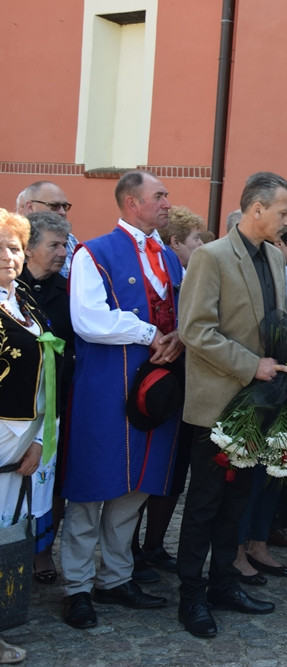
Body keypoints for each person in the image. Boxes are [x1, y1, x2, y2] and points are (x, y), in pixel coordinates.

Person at [61, 171, 185, 630]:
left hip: (158, 389)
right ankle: (76, 587)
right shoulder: (93, 253)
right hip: (105, 388)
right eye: (159, 196)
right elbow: (89, 320)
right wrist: (150, 333)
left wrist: (179, 337)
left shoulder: (169, 257)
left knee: (136, 487)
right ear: (132, 203)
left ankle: (115, 578)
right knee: (91, 488)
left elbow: (184, 312)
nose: (167, 203)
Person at [175, 172, 287, 638]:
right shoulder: (211, 256)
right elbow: (195, 330)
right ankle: (191, 596)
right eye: (284, 212)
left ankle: (224, 584)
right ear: (256, 209)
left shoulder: (274, 256)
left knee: (237, 502)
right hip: (219, 404)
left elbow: (276, 319)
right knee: (205, 503)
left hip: (260, 401)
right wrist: (252, 365)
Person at [230, 213, 287, 586]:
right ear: (278, 242)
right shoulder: (255, 267)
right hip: (257, 377)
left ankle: (259, 543)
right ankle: (236, 550)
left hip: (286, 376)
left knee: (273, 465)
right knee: (248, 470)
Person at [130, 204, 205, 584]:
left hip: (185, 385)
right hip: (155, 383)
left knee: (174, 472)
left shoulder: (191, 275)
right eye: (195, 239)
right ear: (175, 242)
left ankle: (154, 545)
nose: (201, 245)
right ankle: (130, 549)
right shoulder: (158, 275)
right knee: (144, 473)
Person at [0, 209, 61, 665]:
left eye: (15, 247)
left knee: (6, 536)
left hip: (26, 437)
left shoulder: (24, 300)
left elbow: (48, 380)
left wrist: (42, 440)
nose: (9, 256)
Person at [20, 211, 72, 584]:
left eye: (64, 245)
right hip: (16, 405)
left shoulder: (67, 291)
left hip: (58, 403)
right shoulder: (11, 289)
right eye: (54, 245)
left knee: (52, 480)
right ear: (29, 248)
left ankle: (42, 551)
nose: (63, 252)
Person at [20, 181, 77, 278]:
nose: (62, 212)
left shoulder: (71, 240)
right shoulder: (11, 240)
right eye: (54, 206)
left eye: (64, 206)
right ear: (30, 207)